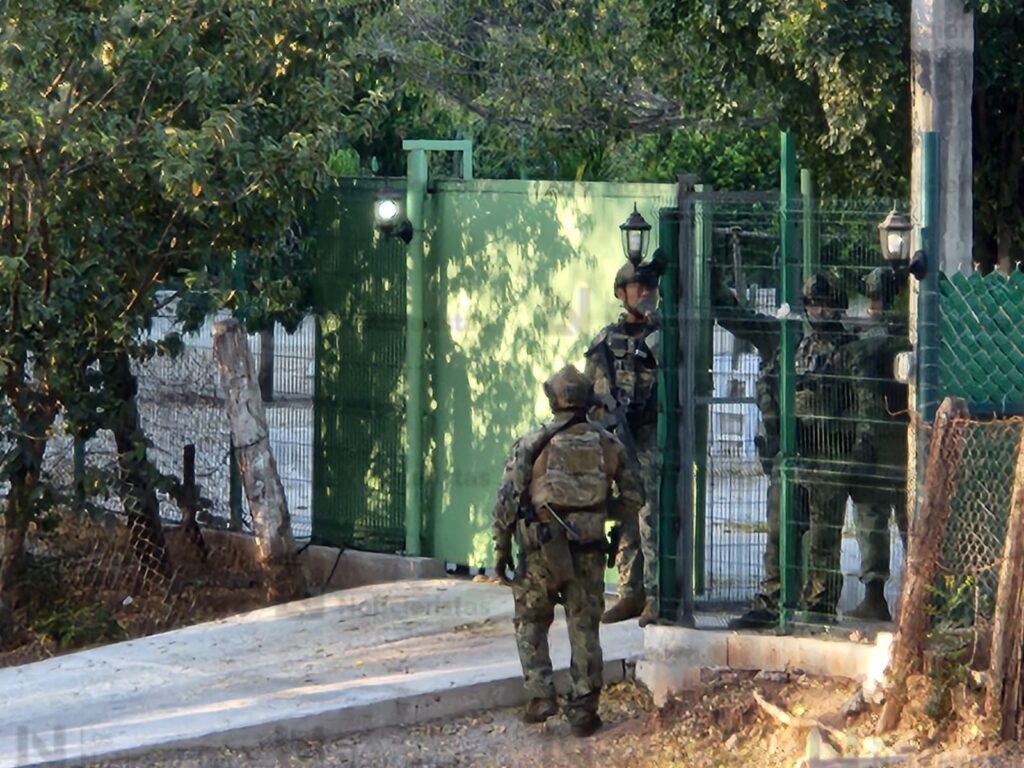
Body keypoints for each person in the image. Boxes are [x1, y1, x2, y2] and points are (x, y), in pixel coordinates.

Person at [491, 365, 644, 737]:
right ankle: (583, 712)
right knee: (584, 629)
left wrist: (502, 547)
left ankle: (540, 695)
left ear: (553, 400)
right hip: (589, 552)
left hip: (539, 552)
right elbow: (634, 498)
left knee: (531, 621)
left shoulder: (532, 443)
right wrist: (597, 513)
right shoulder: (609, 445)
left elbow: (507, 502)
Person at [708, 270, 794, 630]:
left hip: (821, 453)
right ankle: (773, 602)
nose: (819, 310)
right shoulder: (778, 334)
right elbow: (735, 317)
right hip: (783, 454)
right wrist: (709, 277)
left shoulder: (836, 340)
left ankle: (814, 607)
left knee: (817, 537)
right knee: (779, 531)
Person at [584, 259, 662, 626]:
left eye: (650, 288)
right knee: (627, 513)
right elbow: (591, 391)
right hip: (617, 439)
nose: (644, 293)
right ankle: (629, 593)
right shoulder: (605, 341)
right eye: (637, 287)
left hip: (653, 438)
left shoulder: (664, 336)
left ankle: (657, 596)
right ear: (621, 293)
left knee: (653, 517)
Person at [840, 266, 911, 621]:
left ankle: (875, 596)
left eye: (875, 297)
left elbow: (864, 395)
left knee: (872, 518)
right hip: (908, 440)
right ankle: (924, 599)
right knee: (911, 518)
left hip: (876, 442)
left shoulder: (870, 341)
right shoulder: (915, 332)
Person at [792, 273, 857, 621]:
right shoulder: (802, 346)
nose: (818, 311)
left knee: (824, 536)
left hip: (833, 451)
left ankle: (821, 604)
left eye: (825, 304)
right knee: (796, 527)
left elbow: (856, 402)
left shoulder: (848, 348)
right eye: (813, 304)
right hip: (803, 449)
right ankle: (798, 597)